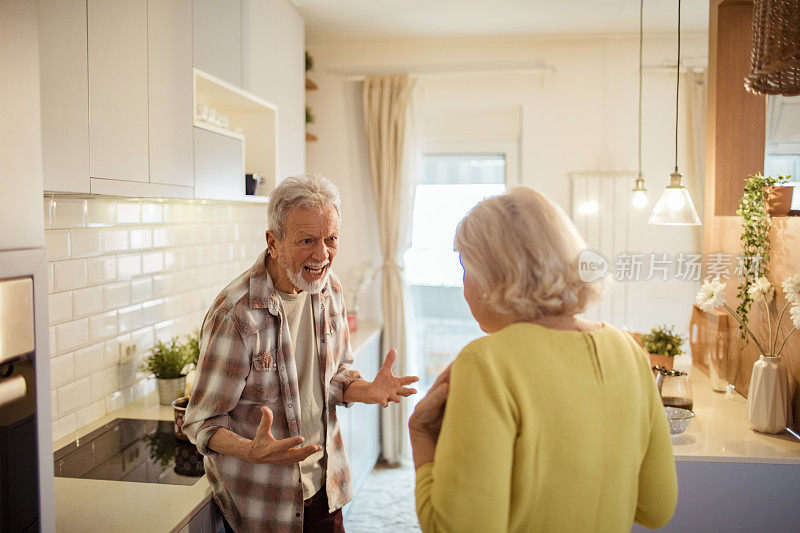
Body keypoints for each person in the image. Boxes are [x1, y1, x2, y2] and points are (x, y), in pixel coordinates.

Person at [409, 187, 677, 532]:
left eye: (466, 269)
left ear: (492, 275)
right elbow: (657, 508)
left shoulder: (486, 362)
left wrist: (422, 437)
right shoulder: (629, 351)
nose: (465, 286)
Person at [183, 174, 419, 533]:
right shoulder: (237, 314)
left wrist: (365, 390)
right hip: (262, 505)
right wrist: (252, 451)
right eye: (307, 240)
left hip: (326, 488)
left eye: (331, 239)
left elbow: (335, 377)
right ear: (273, 242)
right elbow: (201, 421)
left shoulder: (330, 289)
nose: (322, 254)